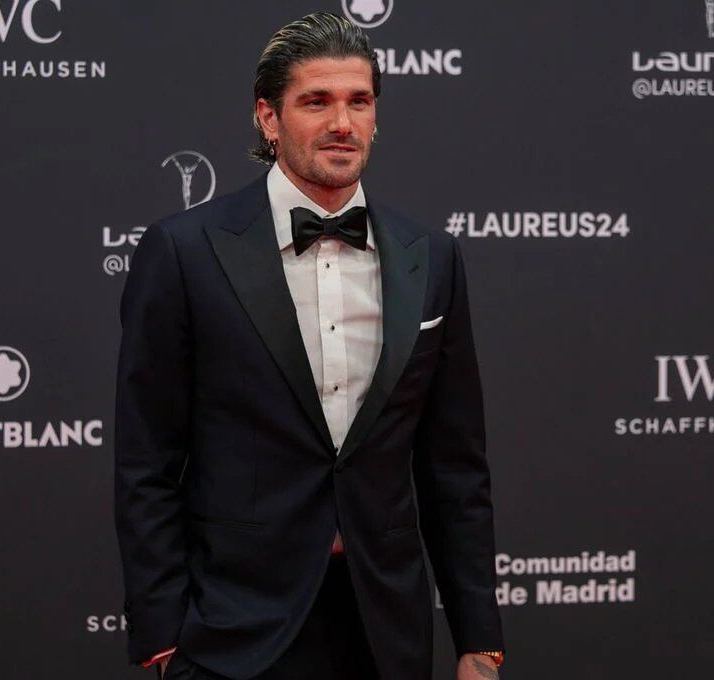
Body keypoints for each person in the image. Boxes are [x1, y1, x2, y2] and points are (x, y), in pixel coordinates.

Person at [114, 12, 504, 680]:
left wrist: (478, 639)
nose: (342, 124)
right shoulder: (184, 252)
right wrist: (162, 636)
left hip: (385, 626)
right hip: (232, 627)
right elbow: (146, 459)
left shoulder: (431, 258)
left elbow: (455, 467)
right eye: (315, 102)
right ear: (268, 119)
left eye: (359, 101)